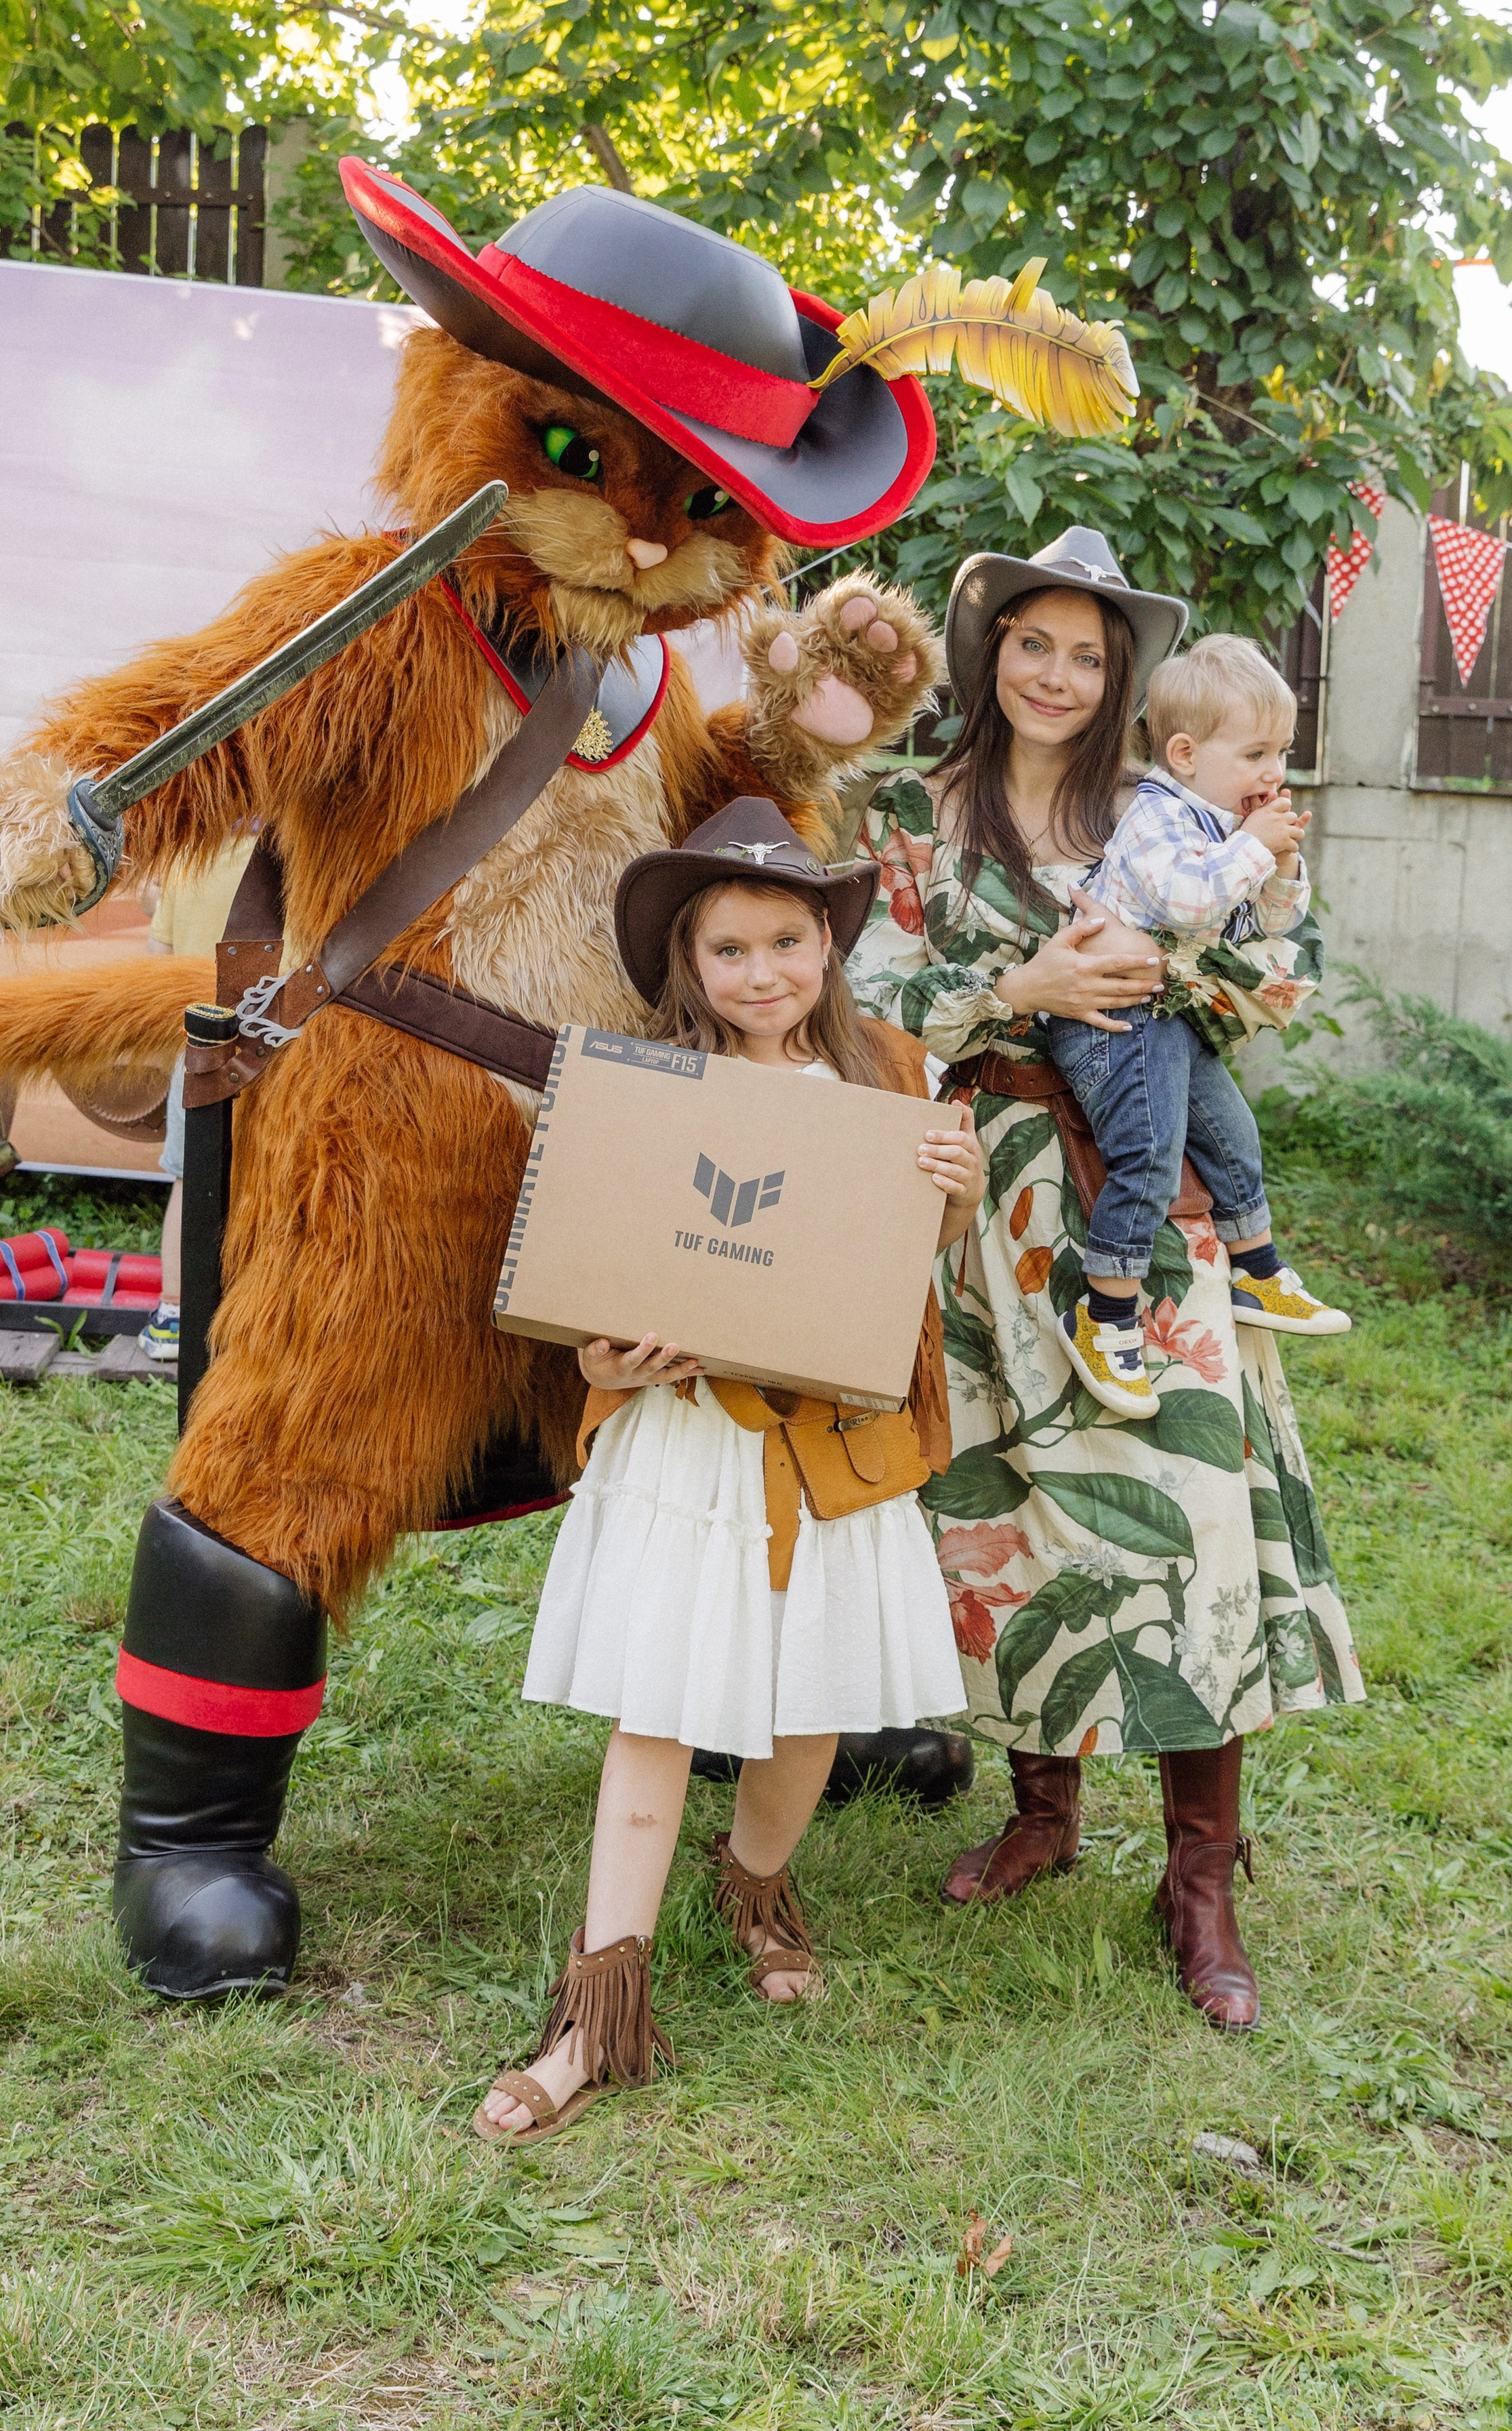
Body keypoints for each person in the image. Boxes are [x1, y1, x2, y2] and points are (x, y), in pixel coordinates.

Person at [849, 527, 1362, 2031]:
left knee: (1187, 1503)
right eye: (1032, 643)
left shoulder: (1167, 805)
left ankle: (1197, 1875)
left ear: (1122, 672)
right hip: (977, 1192)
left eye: (1087, 652)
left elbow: (1267, 990)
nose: (1058, 675)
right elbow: (866, 999)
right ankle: (1041, 1809)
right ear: (988, 651)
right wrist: (1021, 987)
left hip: (1142, 1205)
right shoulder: (914, 814)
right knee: (1011, 1510)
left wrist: (1211, 925)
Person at [475, 798, 987, 2143]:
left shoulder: (886, 1074)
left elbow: (907, 1271)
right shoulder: (644, 1099)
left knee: (803, 1702)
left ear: (825, 942)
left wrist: (956, 1185)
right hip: (688, 1444)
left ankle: (754, 1879)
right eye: (729, 952)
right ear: (687, 971)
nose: (763, 974)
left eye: (786, 940)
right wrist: (613, 1368)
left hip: (826, 1450)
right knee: (653, 1706)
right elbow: (584, 1322)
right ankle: (597, 2011)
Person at [1043, 633, 1350, 1419]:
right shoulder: (1157, 818)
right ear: (1183, 753)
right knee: (1147, 1154)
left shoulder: (1221, 830)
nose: (1273, 772)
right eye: (1255, 754)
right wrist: (1250, 848)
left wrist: (1278, 867)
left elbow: (1266, 923)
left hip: (1166, 1017)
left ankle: (1257, 1270)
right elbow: (1189, 902)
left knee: (1230, 1134)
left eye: (1280, 750)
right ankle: (1105, 1314)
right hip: (1110, 1018)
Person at [139, 834, 256, 1361]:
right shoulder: (280, 865)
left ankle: (172, 1315)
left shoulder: (184, 867)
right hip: (267, 1053)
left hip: (194, 1051)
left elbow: (157, 961)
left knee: (190, 1179)